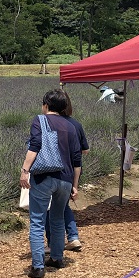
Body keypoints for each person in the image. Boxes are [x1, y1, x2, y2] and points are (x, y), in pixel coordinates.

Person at [20, 89, 82, 278]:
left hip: (44, 177)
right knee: (58, 219)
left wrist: (24, 171)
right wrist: (75, 185)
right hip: (65, 179)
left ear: (46, 105)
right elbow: (77, 159)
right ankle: (57, 258)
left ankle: (38, 267)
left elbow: (35, 145)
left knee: (37, 220)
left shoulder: (40, 120)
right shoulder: (71, 126)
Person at [45, 93, 88, 254]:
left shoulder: (48, 123)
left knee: (50, 208)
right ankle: (73, 237)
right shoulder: (75, 124)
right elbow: (86, 150)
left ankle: (52, 243)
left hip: (53, 171)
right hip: (72, 171)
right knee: (63, 205)